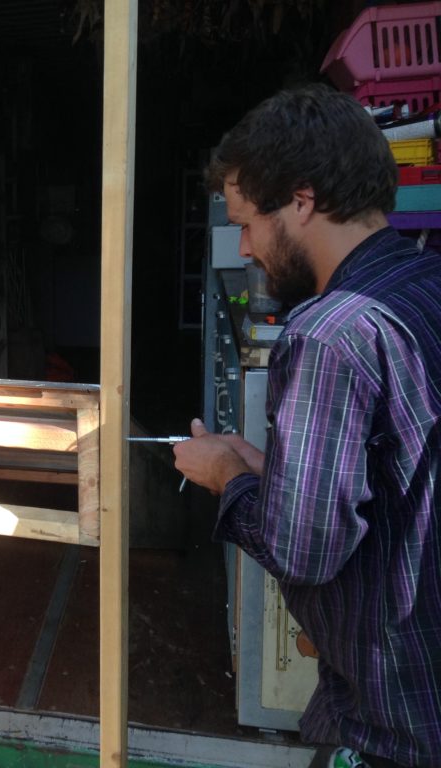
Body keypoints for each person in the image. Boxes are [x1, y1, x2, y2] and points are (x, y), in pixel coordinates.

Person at [174, 83, 441, 768]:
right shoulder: (425, 286)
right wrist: (275, 472)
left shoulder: (329, 335)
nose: (244, 247)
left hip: (397, 723)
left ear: (301, 198)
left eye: (247, 223)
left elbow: (305, 550)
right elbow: (398, 486)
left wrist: (225, 473)